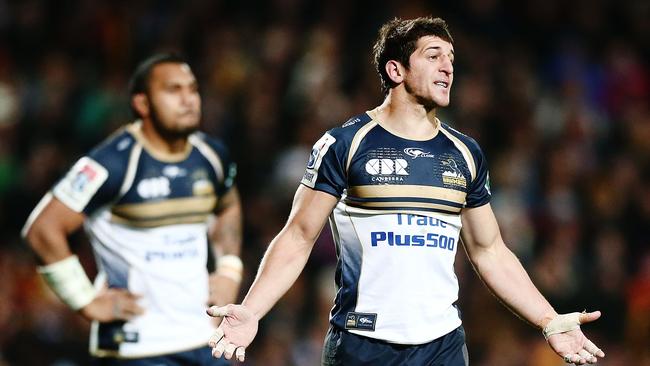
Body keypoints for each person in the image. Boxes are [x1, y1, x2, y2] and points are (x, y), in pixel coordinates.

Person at [207, 16, 605, 366]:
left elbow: (489, 251)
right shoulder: (346, 144)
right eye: (434, 55)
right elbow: (298, 235)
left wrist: (548, 319)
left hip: (442, 346)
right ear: (396, 70)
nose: (448, 66)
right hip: (362, 344)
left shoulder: (466, 153)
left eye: (451, 58)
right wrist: (253, 309)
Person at [22, 53, 243, 365]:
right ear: (142, 104)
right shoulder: (113, 163)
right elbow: (42, 230)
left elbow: (228, 206)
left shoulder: (212, 155)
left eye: (192, 89)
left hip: (204, 337)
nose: (188, 99)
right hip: (136, 346)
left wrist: (229, 270)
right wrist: (85, 300)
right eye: (173, 90)